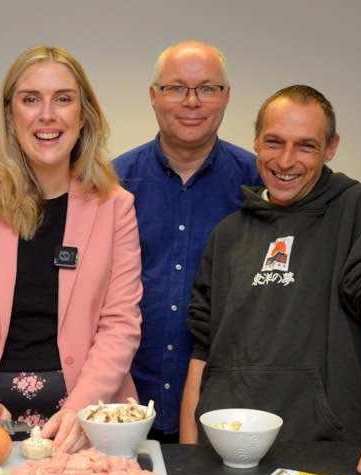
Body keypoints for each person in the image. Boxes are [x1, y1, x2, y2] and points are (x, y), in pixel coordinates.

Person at [179, 84, 361, 475]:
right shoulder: (228, 234)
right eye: (273, 142)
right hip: (226, 460)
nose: (286, 160)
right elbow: (201, 353)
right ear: (256, 139)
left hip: (328, 457)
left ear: (331, 147)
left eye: (306, 146)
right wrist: (190, 456)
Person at [0, 45, 142, 453]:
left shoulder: (115, 206)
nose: (47, 115)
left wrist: (82, 410)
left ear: (83, 114)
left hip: (86, 422)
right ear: (9, 114)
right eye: (30, 99)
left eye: (63, 99)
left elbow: (120, 325)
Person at [113, 41, 261, 443]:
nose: (192, 101)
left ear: (226, 97)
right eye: (176, 87)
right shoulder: (111, 183)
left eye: (207, 88)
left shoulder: (260, 184)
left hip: (229, 410)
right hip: (123, 407)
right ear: (153, 96)